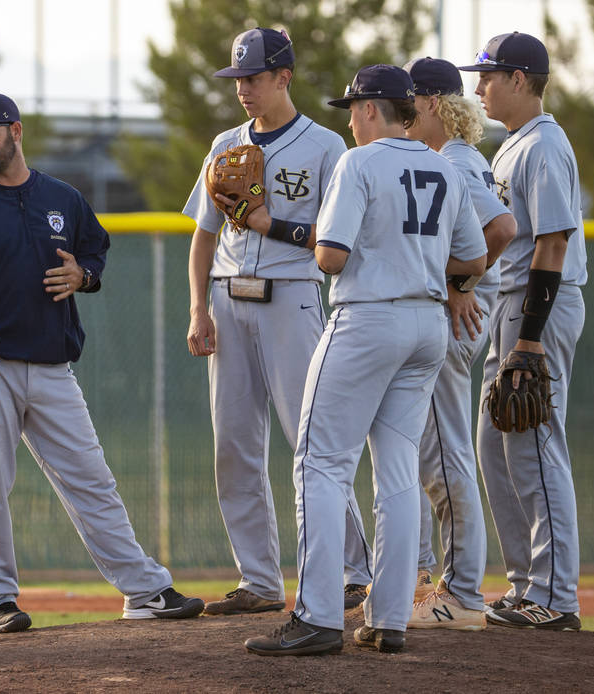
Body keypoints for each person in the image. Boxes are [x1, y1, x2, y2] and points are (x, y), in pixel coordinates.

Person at [0, 91, 204, 634]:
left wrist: (84, 276)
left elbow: (95, 252)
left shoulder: (61, 196)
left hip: (51, 365)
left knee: (93, 479)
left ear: (15, 131)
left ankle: (145, 589)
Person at [244, 64, 487, 657]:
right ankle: (390, 618)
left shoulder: (359, 161)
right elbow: (474, 257)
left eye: (353, 109)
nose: (350, 120)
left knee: (320, 462)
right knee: (399, 467)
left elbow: (329, 257)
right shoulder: (443, 164)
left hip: (368, 318)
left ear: (373, 109)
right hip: (427, 325)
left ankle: (318, 615)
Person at [182, 26, 374, 617]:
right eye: (238, 78)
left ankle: (353, 571)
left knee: (312, 441)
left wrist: (272, 224)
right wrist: (197, 308)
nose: (243, 88)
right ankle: (259, 579)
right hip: (226, 298)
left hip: (292, 296)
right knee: (234, 445)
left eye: (255, 77)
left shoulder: (325, 148)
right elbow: (203, 236)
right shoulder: (224, 143)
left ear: (284, 76)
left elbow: (340, 238)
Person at [460, 32, 587, 631]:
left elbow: (553, 242)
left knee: (534, 445)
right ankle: (524, 586)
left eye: (488, 76)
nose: (478, 87)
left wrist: (529, 340)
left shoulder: (544, 145)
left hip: (539, 306)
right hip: (511, 303)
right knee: (495, 442)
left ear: (519, 79)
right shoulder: (513, 145)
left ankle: (557, 598)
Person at [402, 57, 517, 631]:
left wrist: (459, 283)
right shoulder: (447, 158)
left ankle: (464, 592)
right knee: (428, 451)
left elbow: (501, 230)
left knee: (444, 454)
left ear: (429, 103)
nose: (402, 112)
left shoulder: (454, 161)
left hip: (456, 317)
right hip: (447, 312)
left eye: (408, 102)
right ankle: (427, 582)